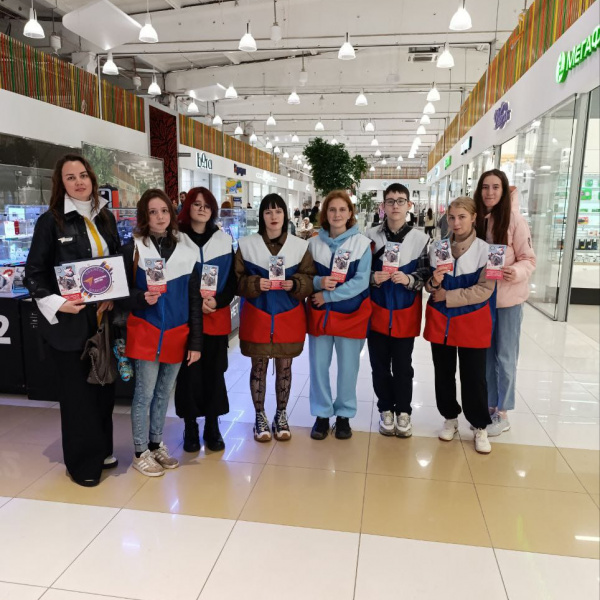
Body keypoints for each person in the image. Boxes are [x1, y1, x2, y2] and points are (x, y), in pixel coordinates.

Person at [24, 154, 119, 487]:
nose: (79, 182)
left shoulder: (105, 217)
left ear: (92, 178)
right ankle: (82, 463)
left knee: (103, 387)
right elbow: (34, 273)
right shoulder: (50, 222)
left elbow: (114, 263)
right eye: (70, 177)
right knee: (78, 395)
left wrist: (114, 294)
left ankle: (102, 450)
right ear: (60, 184)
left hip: (102, 319)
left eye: (83, 175)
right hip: (69, 322)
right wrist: (59, 303)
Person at [124, 189, 202, 476]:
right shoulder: (133, 249)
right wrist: (140, 297)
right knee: (144, 394)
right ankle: (139, 451)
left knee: (163, 394)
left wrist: (196, 342)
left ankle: (156, 444)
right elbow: (120, 292)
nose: (160, 217)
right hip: (146, 330)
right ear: (144, 216)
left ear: (172, 213)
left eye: (164, 211)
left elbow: (194, 300)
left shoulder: (187, 251)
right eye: (153, 212)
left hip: (177, 333)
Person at [235, 193, 315, 442]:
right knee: (258, 367)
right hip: (257, 315)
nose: (273, 216)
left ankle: (281, 414)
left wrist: (296, 283)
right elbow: (236, 281)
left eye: (278, 211)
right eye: (268, 211)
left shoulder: (299, 246)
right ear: (262, 216)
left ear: (285, 215)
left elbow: (310, 278)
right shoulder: (247, 245)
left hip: (288, 316)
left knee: (285, 368)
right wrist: (254, 283)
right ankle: (259, 416)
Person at [424, 196, 495, 454]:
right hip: (441, 321)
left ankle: (479, 425)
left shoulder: (490, 252)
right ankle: (450, 418)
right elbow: (428, 285)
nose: (456, 223)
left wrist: (449, 296)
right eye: (452, 217)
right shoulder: (438, 248)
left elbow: (485, 290)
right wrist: (433, 282)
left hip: (473, 321)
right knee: (443, 373)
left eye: (462, 217)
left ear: (474, 218)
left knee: (474, 376)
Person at [307, 190, 372, 441]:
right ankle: (322, 414)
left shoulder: (361, 244)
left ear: (350, 213)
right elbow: (305, 276)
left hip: (351, 315)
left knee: (348, 369)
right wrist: (318, 282)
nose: (337, 214)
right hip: (320, 316)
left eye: (342, 209)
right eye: (332, 210)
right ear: (325, 214)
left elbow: (361, 281)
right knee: (318, 367)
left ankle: (344, 415)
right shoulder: (313, 244)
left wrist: (328, 296)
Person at [474, 170, 536, 436]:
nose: (490, 192)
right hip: (481, 300)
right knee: (486, 356)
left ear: (504, 190)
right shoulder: (476, 219)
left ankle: (503, 411)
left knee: (506, 356)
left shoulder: (515, 221)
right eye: (485, 187)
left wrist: (516, 271)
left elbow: (528, 259)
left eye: (495, 187)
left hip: (509, 300)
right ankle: (489, 406)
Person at [176, 187, 237, 452]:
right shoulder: (176, 239)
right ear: (187, 206)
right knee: (188, 375)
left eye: (207, 205)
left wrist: (218, 301)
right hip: (186, 319)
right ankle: (190, 426)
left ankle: (212, 425)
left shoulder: (223, 240)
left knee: (214, 373)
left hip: (215, 317)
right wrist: (193, 302)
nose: (202, 209)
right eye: (196, 204)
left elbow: (233, 281)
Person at [367, 183, 430, 437]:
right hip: (377, 311)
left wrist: (410, 279)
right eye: (390, 201)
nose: (395, 206)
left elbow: (426, 273)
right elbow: (358, 272)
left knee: (404, 366)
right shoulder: (370, 237)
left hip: (405, 312)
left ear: (409, 205)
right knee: (379, 365)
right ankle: (385, 409)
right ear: (383, 206)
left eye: (400, 201)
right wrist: (373, 277)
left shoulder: (421, 239)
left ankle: (404, 410)